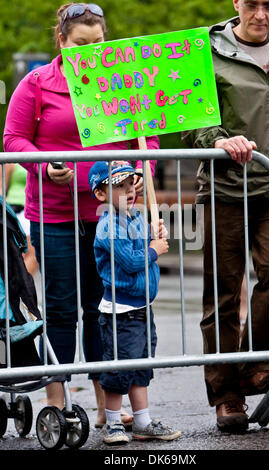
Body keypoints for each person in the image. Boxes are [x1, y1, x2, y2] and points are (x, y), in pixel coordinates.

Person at [3, 3, 159, 428]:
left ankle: (107, 406)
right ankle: (56, 399)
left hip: (109, 214)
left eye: (99, 43)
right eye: (81, 45)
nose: (91, 52)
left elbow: (146, 140)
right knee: (60, 309)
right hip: (54, 215)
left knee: (102, 309)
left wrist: (146, 172)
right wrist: (44, 163)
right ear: (62, 42)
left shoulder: (125, 82)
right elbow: (14, 139)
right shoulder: (35, 84)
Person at [183, 0, 269, 432]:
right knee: (223, 292)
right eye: (252, 4)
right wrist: (218, 139)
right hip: (225, 191)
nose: (260, 14)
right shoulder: (207, 51)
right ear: (236, 4)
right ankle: (226, 397)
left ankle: (252, 364)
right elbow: (192, 118)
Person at [88, 160, 181, 444]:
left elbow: (141, 246)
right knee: (118, 368)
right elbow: (129, 261)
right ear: (101, 194)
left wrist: (155, 235)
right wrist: (153, 250)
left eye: (131, 184)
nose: (129, 190)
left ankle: (142, 421)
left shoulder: (134, 216)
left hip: (141, 308)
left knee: (141, 367)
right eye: (119, 186)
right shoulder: (107, 225)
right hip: (120, 311)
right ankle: (114, 423)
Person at [0, 164, 38, 276]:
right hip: (15, 210)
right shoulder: (12, 159)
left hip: (35, 210)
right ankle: (18, 290)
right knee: (24, 255)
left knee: (33, 255)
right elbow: (1, 187)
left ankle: (19, 290)